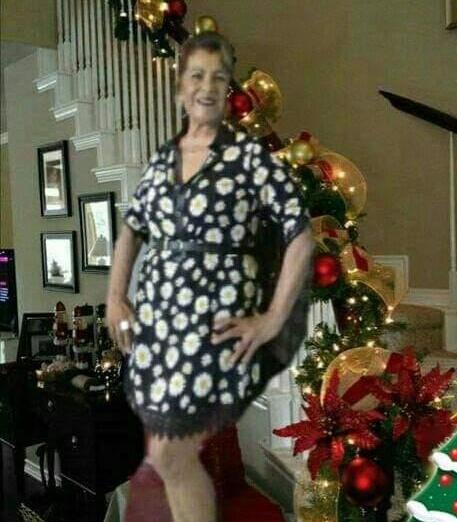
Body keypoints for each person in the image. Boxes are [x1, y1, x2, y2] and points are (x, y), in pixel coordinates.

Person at [106, 31, 315, 522]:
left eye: (218, 78)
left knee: (172, 453)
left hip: (217, 319)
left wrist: (272, 319)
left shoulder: (249, 159)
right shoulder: (163, 160)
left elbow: (301, 236)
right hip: (162, 321)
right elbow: (131, 230)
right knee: (168, 456)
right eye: (197, 75)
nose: (206, 86)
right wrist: (116, 296)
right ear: (181, 85)